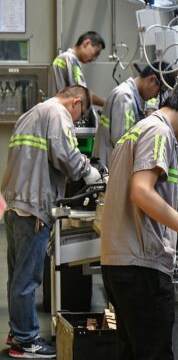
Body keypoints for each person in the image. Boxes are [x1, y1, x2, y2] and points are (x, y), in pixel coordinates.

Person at [100, 80, 178, 359]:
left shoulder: (143, 128)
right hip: (140, 266)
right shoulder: (160, 132)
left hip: (121, 261)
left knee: (133, 352)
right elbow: (142, 192)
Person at [1, 85, 102, 358]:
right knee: (27, 279)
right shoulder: (57, 112)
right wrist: (89, 172)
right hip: (33, 206)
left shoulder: (32, 113)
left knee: (17, 278)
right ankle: (25, 341)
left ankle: (18, 331)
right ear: (76, 102)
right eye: (79, 115)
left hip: (15, 204)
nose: (76, 121)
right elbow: (65, 155)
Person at [92, 61, 177, 167]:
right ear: (152, 80)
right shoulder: (125, 97)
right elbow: (123, 142)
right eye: (159, 91)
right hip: (109, 168)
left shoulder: (135, 98)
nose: (156, 97)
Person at [49, 31, 107, 106]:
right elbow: (81, 93)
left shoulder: (69, 59)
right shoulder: (69, 59)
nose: (94, 59)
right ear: (87, 43)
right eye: (96, 53)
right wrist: (106, 103)